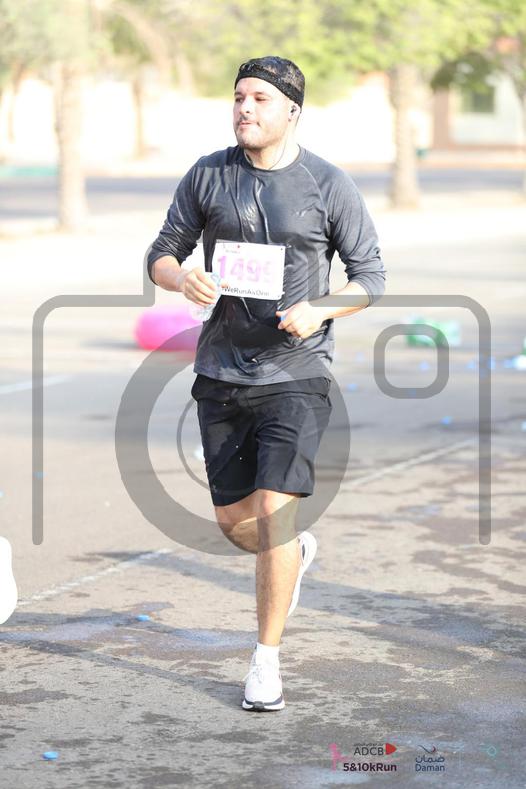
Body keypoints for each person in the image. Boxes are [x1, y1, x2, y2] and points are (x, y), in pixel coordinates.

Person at [146, 55, 386, 712]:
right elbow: (161, 253)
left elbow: (370, 278)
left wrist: (321, 310)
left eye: (260, 98)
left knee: (274, 516)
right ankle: (296, 551)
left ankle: (265, 660)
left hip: (296, 373)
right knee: (236, 525)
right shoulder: (209, 174)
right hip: (221, 371)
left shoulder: (327, 184)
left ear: (292, 111)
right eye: (238, 97)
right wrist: (181, 277)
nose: (245, 108)